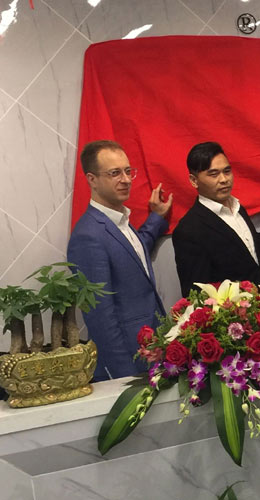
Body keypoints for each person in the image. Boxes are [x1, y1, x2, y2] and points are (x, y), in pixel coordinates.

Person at [67, 140, 173, 380]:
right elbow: (100, 316)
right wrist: (124, 376)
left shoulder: (120, 222)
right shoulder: (87, 235)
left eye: (128, 171)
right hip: (129, 364)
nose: (125, 180)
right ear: (92, 179)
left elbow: (131, 256)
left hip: (153, 351)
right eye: (114, 173)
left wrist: (156, 218)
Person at [172, 142, 260, 297]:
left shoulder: (237, 207)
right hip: (233, 311)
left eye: (227, 171)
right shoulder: (189, 230)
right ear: (194, 180)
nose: (224, 179)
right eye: (213, 174)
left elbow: (246, 254)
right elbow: (196, 294)